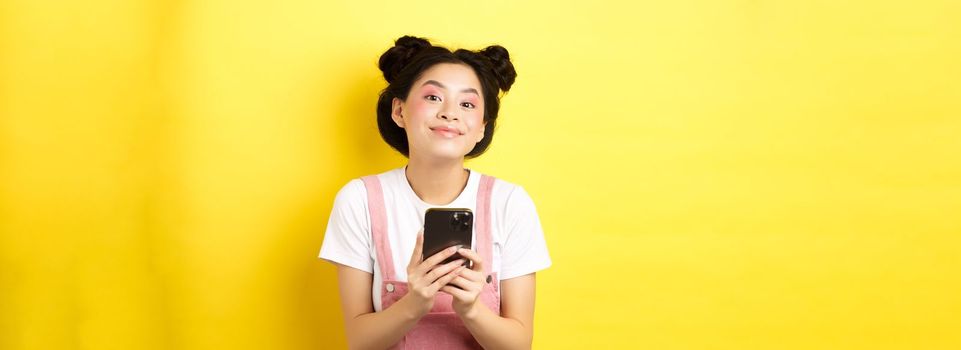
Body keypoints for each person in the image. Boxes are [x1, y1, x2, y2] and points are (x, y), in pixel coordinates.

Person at [319, 35, 551, 350]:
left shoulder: (509, 203)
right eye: (432, 97)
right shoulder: (360, 199)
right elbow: (359, 342)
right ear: (398, 111)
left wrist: (470, 309)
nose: (449, 113)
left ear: (482, 127)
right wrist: (415, 302)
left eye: (467, 103)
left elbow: (519, 345)